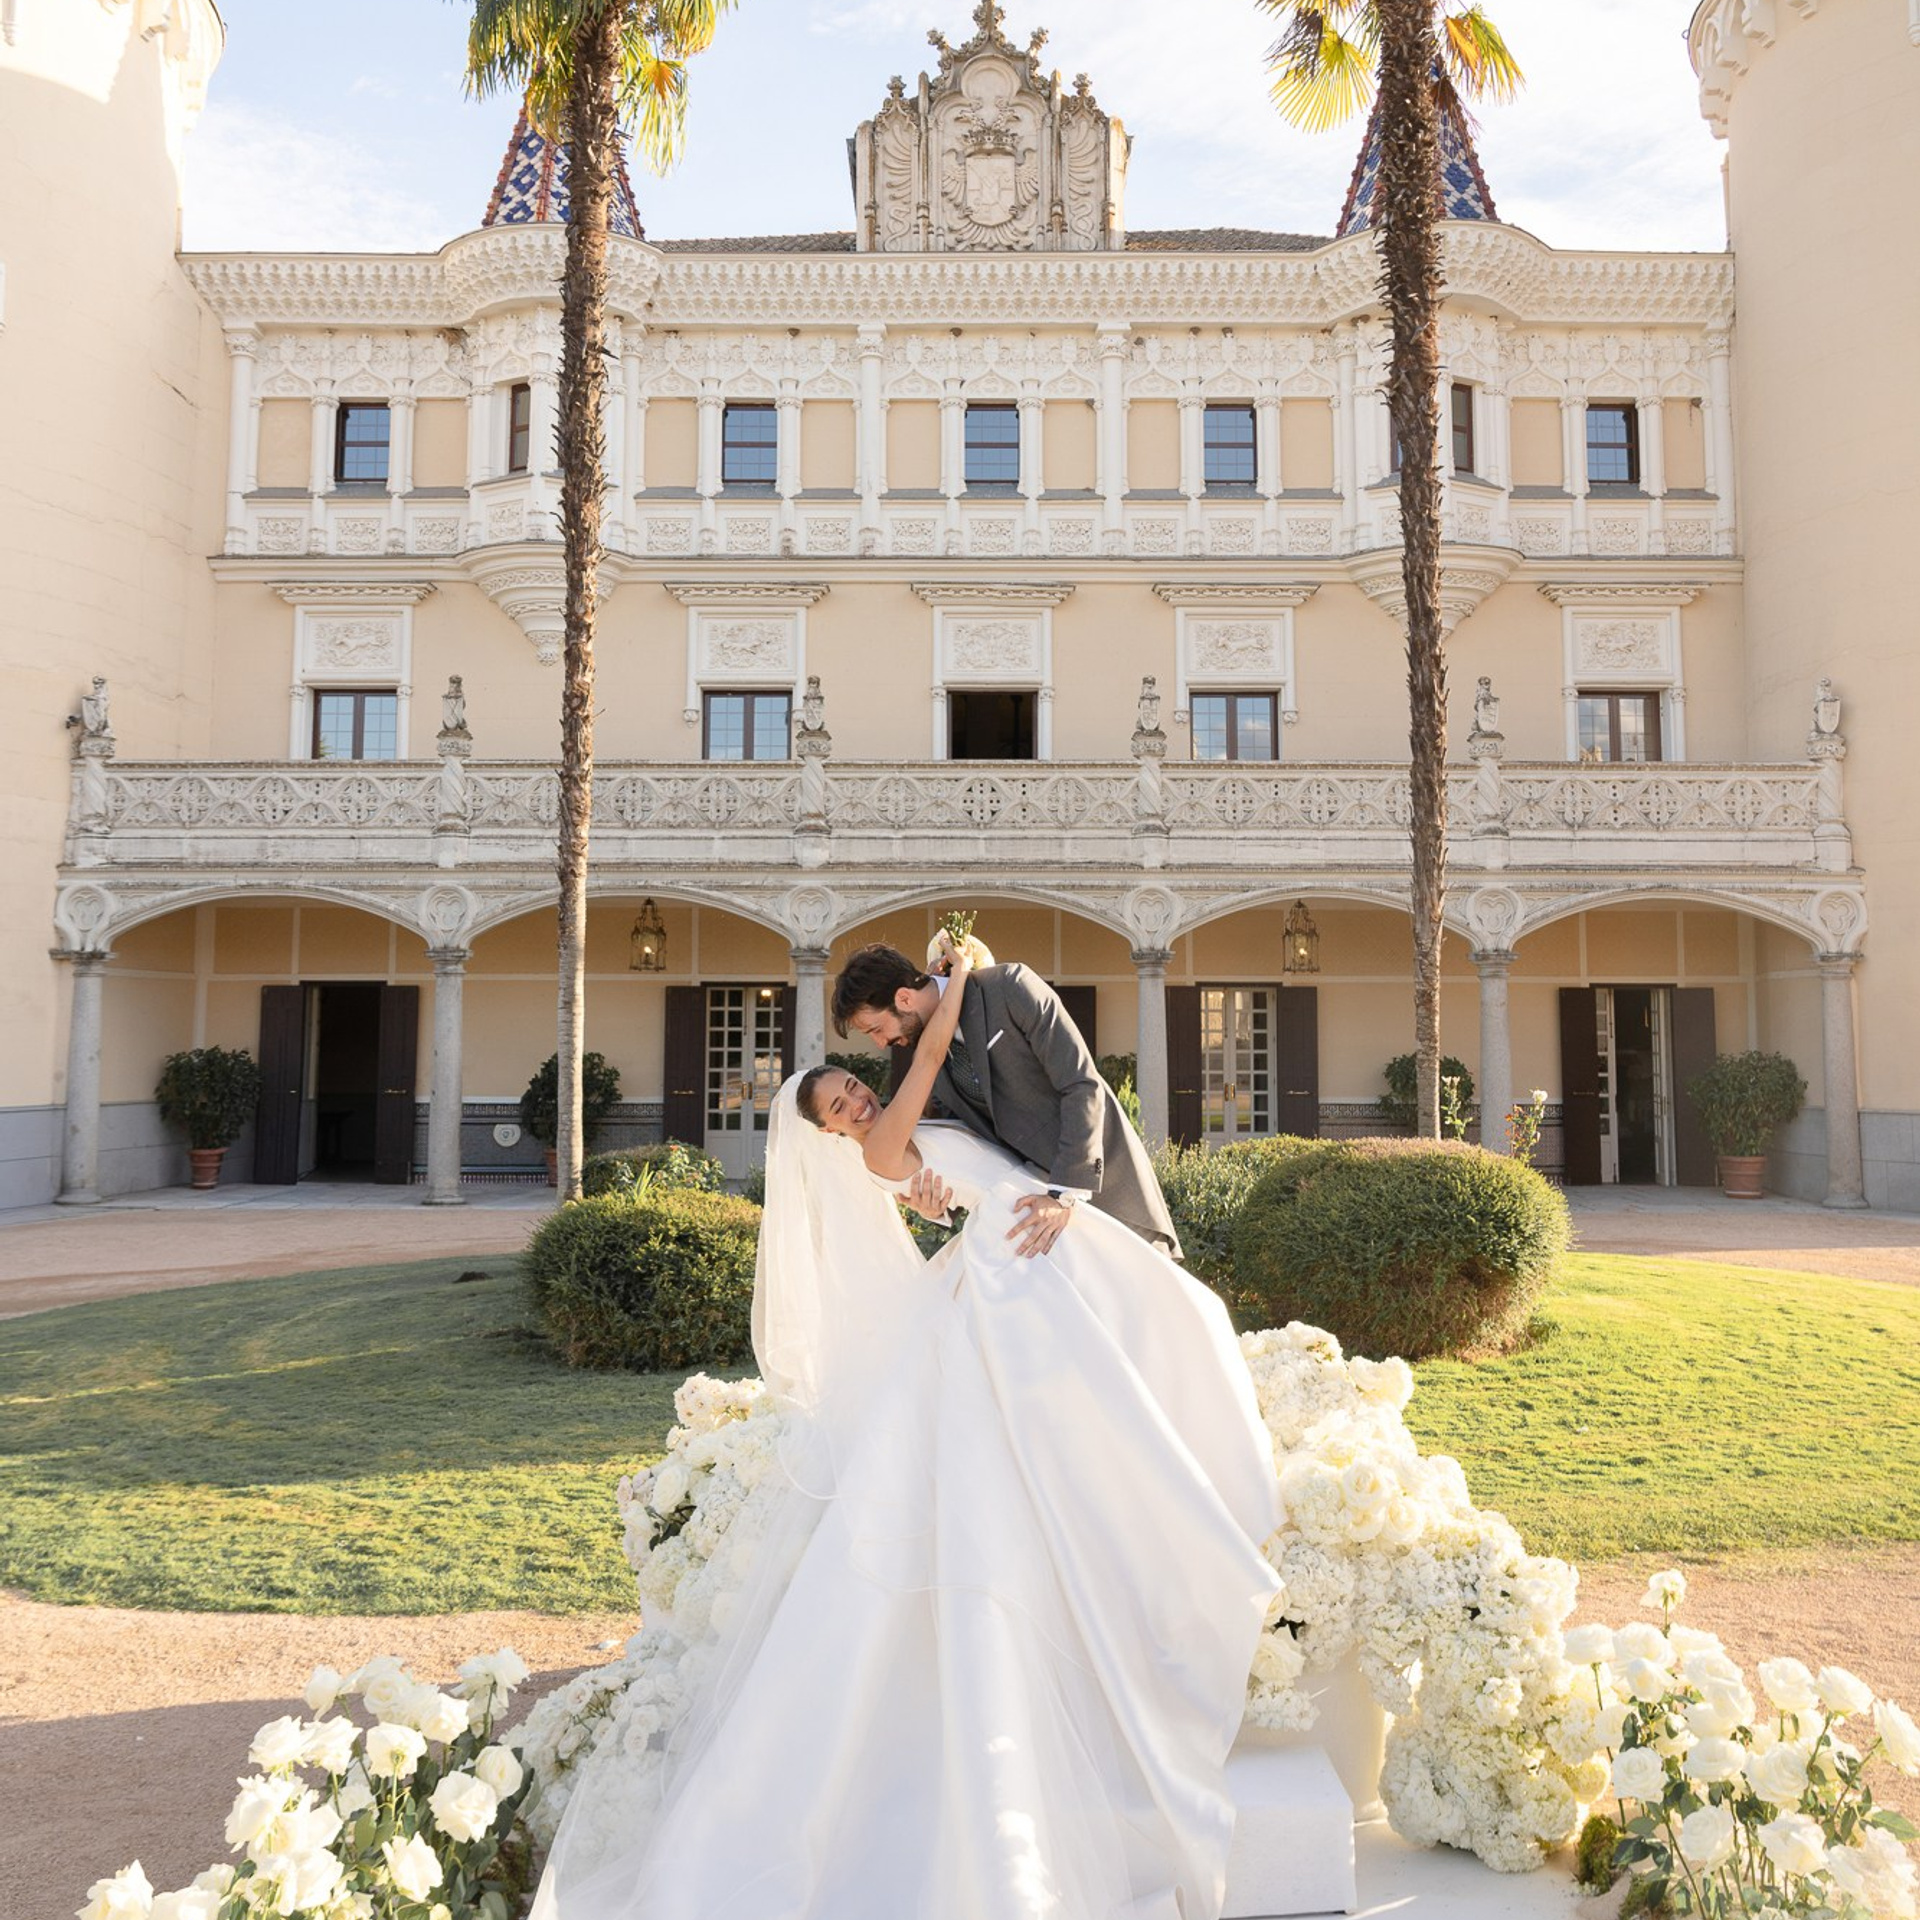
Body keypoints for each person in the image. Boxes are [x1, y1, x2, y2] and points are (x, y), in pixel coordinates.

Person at [530, 952, 1281, 1920]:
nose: (858, 1087)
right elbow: (917, 1106)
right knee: (1050, 1441)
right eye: (840, 1098)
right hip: (1011, 1263)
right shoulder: (888, 1126)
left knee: (1159, 1359)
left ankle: (1171, 1525)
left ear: (889, 1008)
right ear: (827, 1136)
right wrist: (953, 996)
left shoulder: (961, 1043)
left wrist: (966, 1008)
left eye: (856, 1073)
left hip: (1043, 1230)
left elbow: (1023, 1104)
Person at [831, 940, 1180, 1257]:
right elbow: (968, 1138)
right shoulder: (927, 1053)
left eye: (875, 1029)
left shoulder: (1009, 987)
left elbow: (1081, 1083)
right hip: (1036, 1228)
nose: (879, 1044)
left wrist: (1062, 1194)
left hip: (1103, 1189)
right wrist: (938, 1208)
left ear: (904, 999)